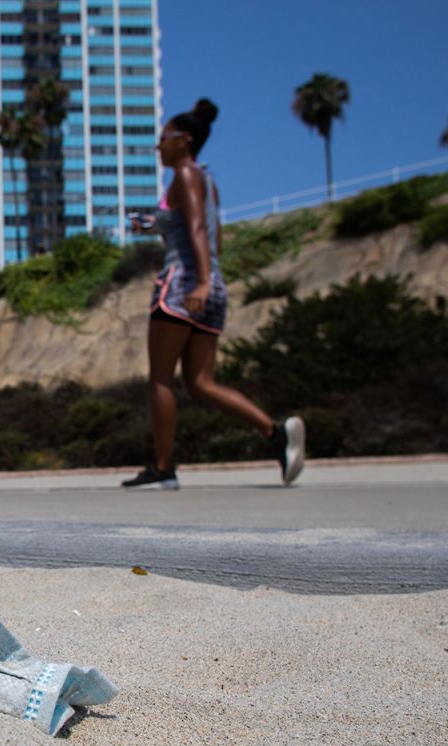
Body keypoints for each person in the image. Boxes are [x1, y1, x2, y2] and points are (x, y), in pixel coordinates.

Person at [122, 98, 305, 490]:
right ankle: (277, 436)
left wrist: (200, 281)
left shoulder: (184, 175)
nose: (159, 146)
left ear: (185, 140)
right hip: (211, 286)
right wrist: (159, 227)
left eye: (164, 138)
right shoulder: (208, 182)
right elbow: (209, 232)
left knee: (159, 380)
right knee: (201, 383)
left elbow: (199, 233)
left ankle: (163, 469)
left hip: (183, 286)